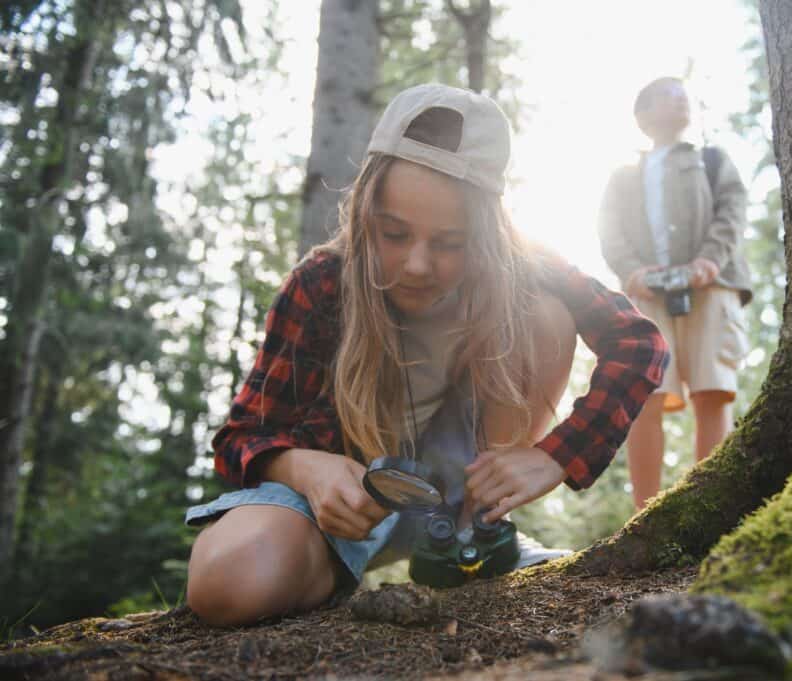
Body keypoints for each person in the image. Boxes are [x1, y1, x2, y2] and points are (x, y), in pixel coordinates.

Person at [184, 84, 669, 626]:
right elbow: (241, 435)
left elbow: (640, 343)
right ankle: (321, 568)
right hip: (339, 506)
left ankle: (476, 537)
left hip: (459, 484)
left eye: (448, 243)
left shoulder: (521, 263)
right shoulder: (321, 283)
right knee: (227, 582)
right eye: (394, 234)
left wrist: (556, 455)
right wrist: (307, 470)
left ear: (485, 232)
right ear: (367, 209)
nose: (416, 265)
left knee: (545, 312)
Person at [598, 77, 752, 511]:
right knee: (644, 395)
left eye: (683, 93)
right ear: (642, 116)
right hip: (646, 293)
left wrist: (709, 259)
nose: (681, 97)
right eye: (667, 94)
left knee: (712, 389)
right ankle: (646, 515)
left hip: (712, 285)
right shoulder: (624, 176)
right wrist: (631, 272)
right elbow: (609, 230)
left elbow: (733, 211)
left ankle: (710, 508)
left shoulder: (713, 160)